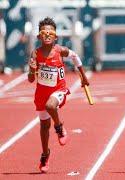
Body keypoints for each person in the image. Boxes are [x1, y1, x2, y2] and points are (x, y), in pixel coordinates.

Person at [27, 17, 89, 173]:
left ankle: (59, 127)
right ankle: (45, 154)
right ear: (38, 36)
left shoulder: (60, 50)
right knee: (43, 126)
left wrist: (83, 75)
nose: (47, 35)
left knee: (51, 106)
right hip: (41, 92)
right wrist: (31, 69)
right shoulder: (35, 54)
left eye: (51, 32)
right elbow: (31, 79)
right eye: (44, 32)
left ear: (55, 37)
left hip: (59, 90)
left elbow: (75, 57)